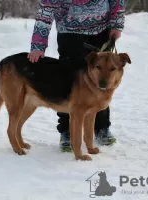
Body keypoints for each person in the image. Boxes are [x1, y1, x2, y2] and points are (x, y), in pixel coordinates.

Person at [27, 0, 125, 152]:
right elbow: (45, 10)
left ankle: (101, 128)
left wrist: (116, 24)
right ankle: (67, 131)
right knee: (68, 84)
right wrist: (38, 45)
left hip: (101, 30)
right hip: (69, 33)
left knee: (102, 82)